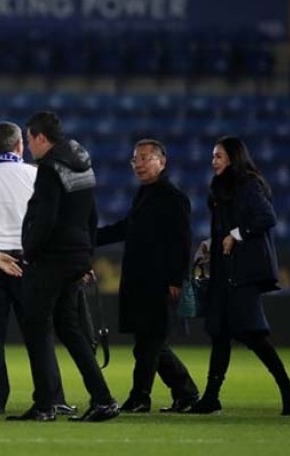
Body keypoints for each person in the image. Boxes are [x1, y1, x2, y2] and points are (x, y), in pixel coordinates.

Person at [7, 111, 119, 422]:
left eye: (30, 139)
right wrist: (87, 255)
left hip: (51, 260)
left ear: (42, 138)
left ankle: (45, 404)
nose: (29, 146)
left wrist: (30, 251)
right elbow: (92, 217)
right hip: (76, 257)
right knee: (70, 329)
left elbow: (45, 218)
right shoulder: (82, 164)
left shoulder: (50, 169)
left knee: (36, 326)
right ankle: (103, 399)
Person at [0, 121, 75, 416]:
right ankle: (52, 396)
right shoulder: (36, 175)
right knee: (39, 333)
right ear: (19, 146)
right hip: (30, 263)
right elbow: (49, 222)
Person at [189, 135, 290, 415]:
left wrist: (236, 235)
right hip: (225, 272)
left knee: (252, 335)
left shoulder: (249, 183)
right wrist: (210, 244)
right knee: (219, 334)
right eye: (213, 156)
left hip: (243, 274)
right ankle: (211, 398)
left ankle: (287, 387)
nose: (213, 161)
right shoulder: (222, 187)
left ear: (233, 157)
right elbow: (228, 226)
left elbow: (267, 218)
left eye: (218, 156)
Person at [96, 139, 200, 413]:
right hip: (140, 280)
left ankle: (140, 396)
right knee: (150, 342)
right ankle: (186, 393)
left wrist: (176, 279)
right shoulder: (145, 194)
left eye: (145, 158)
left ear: (162, 162)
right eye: (135, 160)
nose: (138, 164)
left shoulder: (173, 197)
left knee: (149, 344)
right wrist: (88, 238)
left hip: (159, 282)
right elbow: (125, 228)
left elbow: (182, 242)